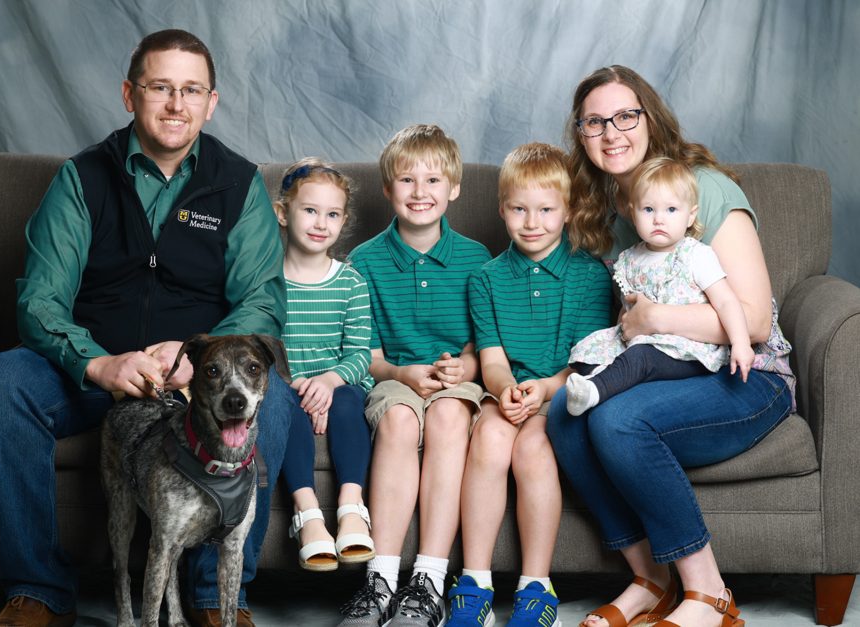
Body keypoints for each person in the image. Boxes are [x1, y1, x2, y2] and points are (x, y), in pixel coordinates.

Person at [0, 29, 291, 627]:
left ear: (212, 102)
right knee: (2, 380)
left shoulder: (239, 184)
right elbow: (40, 298)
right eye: (160, 87)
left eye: (191, 89)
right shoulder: (80, 178)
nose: (177, 104)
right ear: (129, 94)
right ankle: (38, 593)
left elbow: (262, 302)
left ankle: (213, 601)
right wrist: (98, 362)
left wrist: (201, 363)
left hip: (194, 385)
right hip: (89, 375)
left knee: (271, 408)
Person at [547, 65, 795, 627]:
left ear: (650, 119)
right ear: (581, 135)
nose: (612, 133)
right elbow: (625, 326)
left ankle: (710, 595)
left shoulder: (702, 187)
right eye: (594, 122)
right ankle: (649, 580)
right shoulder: (612, 214)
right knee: (564, 414)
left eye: (625, 116)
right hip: (666, 370)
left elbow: (753, 321)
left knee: (620, 422)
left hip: (748, 373)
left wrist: (658, 315)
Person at [447, 143, 612, 627]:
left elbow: (587, 363)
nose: (532, 222)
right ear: (502, 210)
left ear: (568, 211)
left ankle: (536, 586)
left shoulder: (590, 275)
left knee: (533, 449)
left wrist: (544, 389)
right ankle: (474, 581)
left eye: (545, 210)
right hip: (511, 395)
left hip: (563, 395)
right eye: (519, 209)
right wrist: (505, 392)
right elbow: (492, 361)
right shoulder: (485, 279)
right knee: (491, 436)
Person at [337, 124, 492, 627]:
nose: (420, 193)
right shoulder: (364, 261)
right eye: (407, 180)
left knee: (449, 418)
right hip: (392, 377)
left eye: (433, 180)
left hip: (458, 381)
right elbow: (368, 353)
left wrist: (464, 366)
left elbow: (481, 344)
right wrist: (401, 372)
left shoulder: (475, 259)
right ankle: (380, 580)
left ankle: (427, 579)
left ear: (454, 188)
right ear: (388, 189)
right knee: (400, 422)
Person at [565, 156, 755, 417]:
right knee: (589, 351)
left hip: (687, 349)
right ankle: (595, 377)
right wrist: (623, 329)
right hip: (642, 339)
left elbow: (726, 302)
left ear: (691, 215)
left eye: (671, 210)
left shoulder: (694, 255)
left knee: (642, 356)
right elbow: (628, 307)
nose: (659, 220)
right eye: (649, 210)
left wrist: (741, 343)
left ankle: (596, 390)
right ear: (633, 213)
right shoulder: (629, 259)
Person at [271, 158, 376, 572]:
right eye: (309, 210)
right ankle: (308, 513)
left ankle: (352, 506)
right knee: (284, 405)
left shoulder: (350, 282)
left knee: (350, 400)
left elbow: (360, 354)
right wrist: (301, 388)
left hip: (340, 386)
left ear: (343, 220)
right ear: (283, 213)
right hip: (289, 387)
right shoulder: (267, 280)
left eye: (332, 214)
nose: (321, 223)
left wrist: (329, 382)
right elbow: (261, 348)